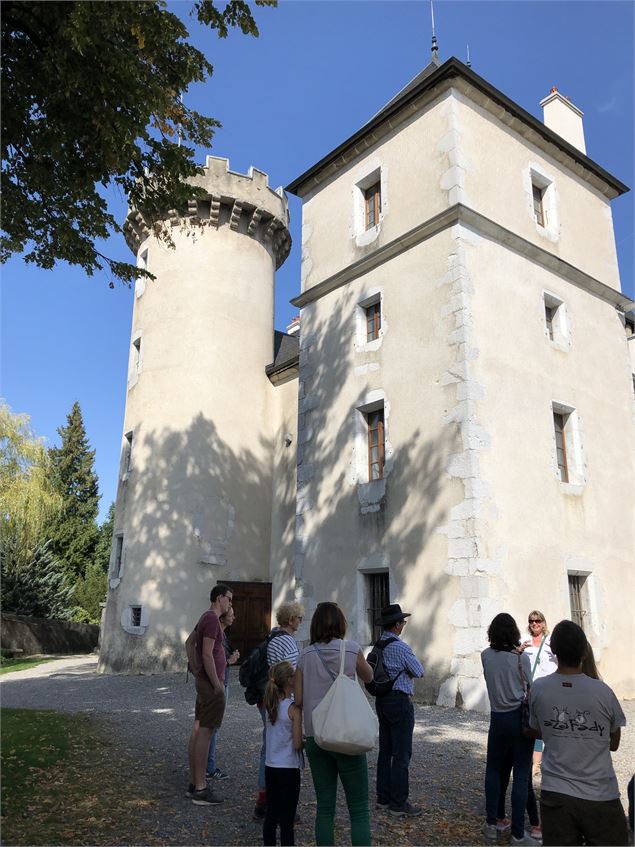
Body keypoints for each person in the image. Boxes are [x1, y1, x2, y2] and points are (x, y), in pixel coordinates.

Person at [528, 620, 628, 847]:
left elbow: (537, 730)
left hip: (556, 792)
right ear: (584, 651)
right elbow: (614, 743)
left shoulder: (540, 689)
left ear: (553, 650)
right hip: (600, 792)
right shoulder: (603, 692)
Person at [295, 601, 373, 846]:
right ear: (341, 624)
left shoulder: (305, 655)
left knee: (325, 808)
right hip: (346, 734)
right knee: (358, 809)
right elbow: (369, 677)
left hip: (317, 737)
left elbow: (298, 698)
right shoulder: (351, 650)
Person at [481, 613, 537, 846]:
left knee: (494, 770)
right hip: (518, 717)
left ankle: (492, 823)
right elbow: (531, 688)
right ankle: (517, 833)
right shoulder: (520, 659)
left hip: (497, 717)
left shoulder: (485, 656)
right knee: (522, 775)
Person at [254, 600, 305, 820]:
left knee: (270, 745)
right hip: (283, 699)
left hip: (269, 697)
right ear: (291, 619)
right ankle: (278, 802)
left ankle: (265, 799)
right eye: (299, 618)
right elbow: (291, 673)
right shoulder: (287, 642)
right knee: (284, 749)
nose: (300, 622)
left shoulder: (273, 638)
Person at [373, 603, 425, 817]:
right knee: (402, 753)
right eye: (402, 622)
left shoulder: (378, 645)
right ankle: (399, 803)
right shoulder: (401, 647)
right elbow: (419, 671)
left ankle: (383, 797)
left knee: (385, 751)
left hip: (382, 700)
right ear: (396, 625)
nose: (403, 625)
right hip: (399, 701)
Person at [186, 583, 233, 805]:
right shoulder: (212, 619)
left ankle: (195, 783)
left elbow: (189, 643)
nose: (230, 604)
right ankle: (201, 789)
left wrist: (196, 671)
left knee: (198, 730)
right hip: (211, 685)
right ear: (219, 598)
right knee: (206, 733)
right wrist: (216, 684)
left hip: (204, 683)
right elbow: (206, 654)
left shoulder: (205, 617)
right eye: (229, 599)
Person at [262, 661, 303, 846]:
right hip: (288, 767)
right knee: (287, 819)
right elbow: (296, 743)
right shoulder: (293, 709)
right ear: (289, 681)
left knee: (271, 814)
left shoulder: (270, 704)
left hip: (271, 765)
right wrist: (304, 741)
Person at [206, 605, 240, 780]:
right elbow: (211, 659)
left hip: (221, 683)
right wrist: (229, 661)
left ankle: (208, 766)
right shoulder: (217, 635)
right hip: (219, 684)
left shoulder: (222, 634)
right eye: (231, 615)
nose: (234, 618)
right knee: (213, 727)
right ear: (223, 618)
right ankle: (209, 768)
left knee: (212, 727)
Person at [521, 611, 557, 778]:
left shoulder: (551, 643)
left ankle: (549, 760)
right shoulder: (524, 641)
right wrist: (519, 651)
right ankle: (535, 763)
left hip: (549, 690)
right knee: (534, 726)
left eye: (537, 620)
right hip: (530, 691)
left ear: (543, 622)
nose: (534, 623)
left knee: (549, 725)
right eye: (531, 621)